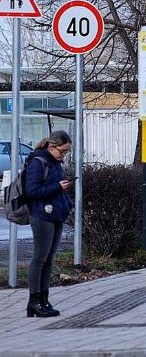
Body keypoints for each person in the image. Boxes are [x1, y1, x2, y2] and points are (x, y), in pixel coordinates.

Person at [25, 130, 73, 317]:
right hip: (41, 215)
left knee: (48, 259)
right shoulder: (38, 162)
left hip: (56, 214)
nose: (64, 155)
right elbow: (32, 191)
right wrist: (58, 187)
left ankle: (44, 299)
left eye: (66, 152)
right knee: (39, 258)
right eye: (62, 151)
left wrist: (66, 200)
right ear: (51, 147)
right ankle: (33, 301)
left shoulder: (54, 162)